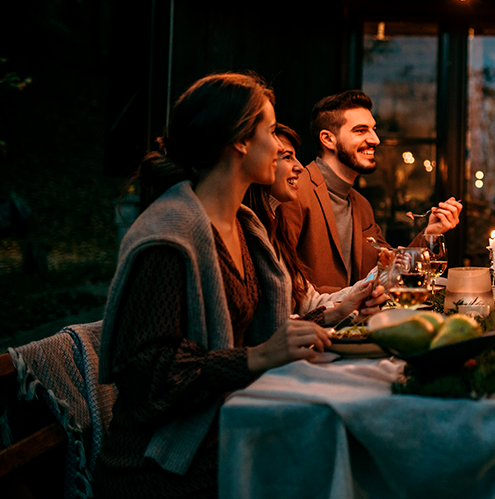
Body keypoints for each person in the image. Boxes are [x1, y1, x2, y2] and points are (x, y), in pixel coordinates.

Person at [94, 73, 333, 498]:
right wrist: (258, 356)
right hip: (159, 465)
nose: (280, 145)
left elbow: (260, 338)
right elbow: (148, 372)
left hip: (226, 428)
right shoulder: (170, 237)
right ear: (241, 141)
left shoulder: (244, 226)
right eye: (271, 130)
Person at [279, 90, 462, 291]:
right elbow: (283, 286)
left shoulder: (361, 205)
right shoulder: (293, 191)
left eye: (373, 129)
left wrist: (430, 233)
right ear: (328, 139)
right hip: (314, 322)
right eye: (360, 130)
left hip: (361, 321)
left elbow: (389, 269)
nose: (375, 139)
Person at [243, 123, 387, 325]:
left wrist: (353, 303)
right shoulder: (254, 224)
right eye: (360, 130)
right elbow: (270, 324)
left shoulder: (272, 228)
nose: (375, 139)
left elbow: (305, 300)